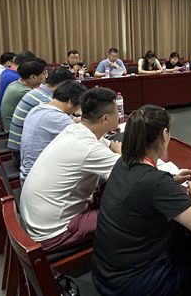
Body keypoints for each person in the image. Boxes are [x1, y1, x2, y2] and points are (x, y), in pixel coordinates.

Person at [91, 105, 191, 296]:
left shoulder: (122, 162)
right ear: (164, 134)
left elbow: (142, 186)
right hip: (134, 285)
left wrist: (170, 179)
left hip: (104, 274)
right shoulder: (155, 183)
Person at [19, 87, 122, 253]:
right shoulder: (88, 148)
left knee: (107, 191)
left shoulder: (74, 129)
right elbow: (130, 173)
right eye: (117, 112)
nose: (119, 115)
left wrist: (113, 148)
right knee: (129, 212)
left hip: (36, 220)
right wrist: (119, 153)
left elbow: (106, 144)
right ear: (106, 118)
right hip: (54, 233)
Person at [20, 80, 86, 182]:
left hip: (28, 174)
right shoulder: (58, 119)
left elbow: (63, 123)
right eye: (78, 107)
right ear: (70, 102)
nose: (77, 110)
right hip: (38, 181)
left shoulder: (38, 109)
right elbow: (86, 139)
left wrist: (75, 120)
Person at [8, 66, 76, 152]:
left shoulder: (39, 91)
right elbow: (67, 121)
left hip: (21, 144)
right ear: (62, 85)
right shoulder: (44, 99)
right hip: (21, 149)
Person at [1, 58, 48, 133]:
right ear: (33, 77)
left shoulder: (15, 83)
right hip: (15, 132)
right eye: (44, 74)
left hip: (11, 126)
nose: (46, 76)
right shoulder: (25, 92)